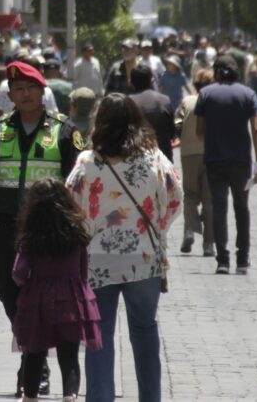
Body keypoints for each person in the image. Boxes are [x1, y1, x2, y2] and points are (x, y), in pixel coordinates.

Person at [0, 60, 84, 397]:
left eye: (31, 87)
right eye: (17, 89)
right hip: (7, 229)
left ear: (42, 91)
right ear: (11, 96)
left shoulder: (64, 130)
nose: (25, 93)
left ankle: (32, 367)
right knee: (11, 295)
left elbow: (80, 179)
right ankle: (34, 359)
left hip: (51, 232)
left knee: (49, 300)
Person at [66, 93, 183, 402]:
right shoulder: (155, 157)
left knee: (100, 334)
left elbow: (71, 203)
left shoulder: (88, 161)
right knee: (145, 330)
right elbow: (175, 198)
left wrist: (88, 230)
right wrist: (156, 228)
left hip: (98, 258)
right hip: (144, 257)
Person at [12, 178, 102, 402]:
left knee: (34, 352)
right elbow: (83, 271)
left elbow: (19, 272)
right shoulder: (77, 235)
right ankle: (70, 396)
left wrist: (27, 284)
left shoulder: (30, 239)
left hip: (38, 300)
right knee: (69, 355)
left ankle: (30, 397)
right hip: (72, 299)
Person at [195, 55, 257, 275]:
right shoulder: (248, 94)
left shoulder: (205, 94)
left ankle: (222, 259)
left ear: (215, 72)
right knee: (242, 208)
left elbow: (199, 130)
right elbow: (256, 128)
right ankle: (242, 259)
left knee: (218, 207)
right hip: (242, 162)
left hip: (214, 159)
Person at [175, 68, 215, 256]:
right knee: (209, 200)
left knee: (190, 195)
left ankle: (190, 230)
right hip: (212, 155)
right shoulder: (216, 102)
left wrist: (182, 136)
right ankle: (208, 244)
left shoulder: (187, 101)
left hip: (189, 153)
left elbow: (177, 124)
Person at [129, 64, 175, 162]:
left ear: (131, 82)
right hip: (163, 159)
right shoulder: (164, 100)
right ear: (152, 80)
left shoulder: (126, 103)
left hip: (137, 160)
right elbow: (172, 133)